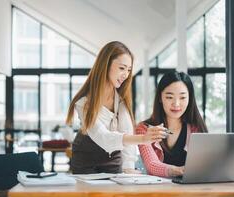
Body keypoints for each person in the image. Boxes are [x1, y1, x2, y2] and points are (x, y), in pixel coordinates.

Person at [66, 41, 164, 174]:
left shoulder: (121, 101)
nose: (126, 75)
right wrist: (142, 139)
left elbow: (127, 131)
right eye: (122, 68)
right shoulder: (84, 103)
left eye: (129, 70)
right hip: (85, 159)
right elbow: (103, 137)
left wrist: (128, 167)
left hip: (113, 160)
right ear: (105, 65)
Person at [135, 71, 208, 177]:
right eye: (169, 97)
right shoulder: (144, 129)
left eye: (182, 98)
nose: (176, 104)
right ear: (160, 98)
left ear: (190, 98)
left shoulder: (195, 128)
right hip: (158, 190)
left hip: (191, 190)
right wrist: (178, 170)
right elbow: (152, 165)